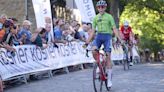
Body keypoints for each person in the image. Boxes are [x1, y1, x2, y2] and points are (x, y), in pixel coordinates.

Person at [85, 0, 122, 88]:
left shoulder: (109, 17)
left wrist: (119, 38)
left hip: (107, 37)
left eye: (102, 7)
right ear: (97, 8)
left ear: (105, 8)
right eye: (99, 7)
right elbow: (93, 31)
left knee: (108, 56)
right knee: (94, 51)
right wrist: (87, 42)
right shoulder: (95, 18)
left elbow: (114, 28)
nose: (101, 9)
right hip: (99, 36)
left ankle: (109, 79)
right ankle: (99, 64)